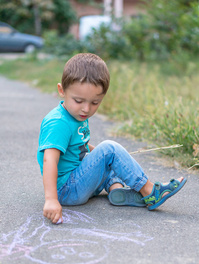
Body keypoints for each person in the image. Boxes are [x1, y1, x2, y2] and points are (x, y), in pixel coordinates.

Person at [37, 53, 187, 224]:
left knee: (110, 157)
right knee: (109, 149)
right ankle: (150, 191)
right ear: (61, 90)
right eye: (79, 100)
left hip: (76, 182)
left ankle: (117, 190)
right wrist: (51, 199)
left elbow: (80, 146)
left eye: (95, 103)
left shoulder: (75, 113)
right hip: (67, 190)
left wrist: (110, 156)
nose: (86, 109)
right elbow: (49, 160)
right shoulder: (58, 123)